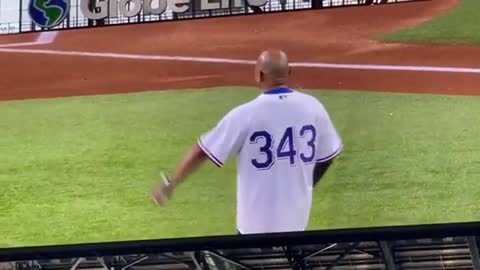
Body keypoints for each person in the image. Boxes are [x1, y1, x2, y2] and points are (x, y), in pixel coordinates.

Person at [152, 49, 343, 235]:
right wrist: (307, 184)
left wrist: (172, 182)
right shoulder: (313, 107)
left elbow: (202, 151)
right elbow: (328, 156)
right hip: (296, 223)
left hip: (253, 229)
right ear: (289, 72)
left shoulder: (245, 115)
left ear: (259, 75)